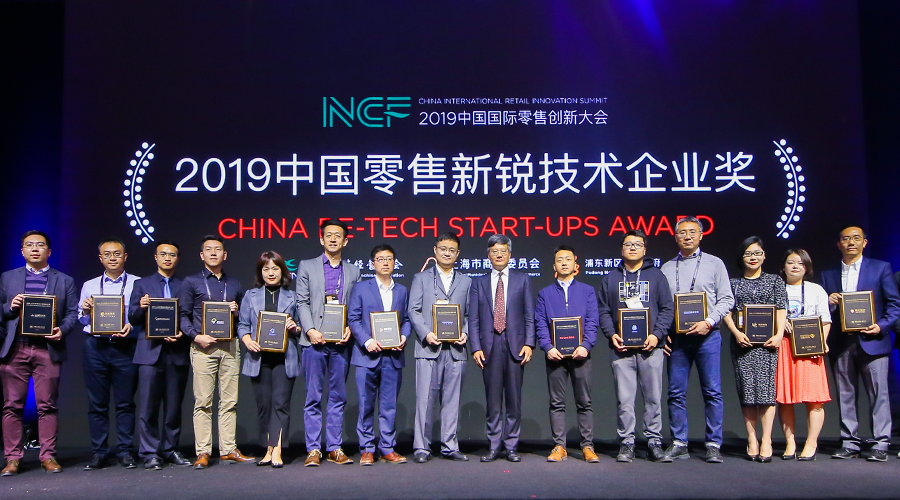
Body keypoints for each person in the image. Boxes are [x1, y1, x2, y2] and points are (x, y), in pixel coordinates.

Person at [0, 230, 78, 475]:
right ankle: (13, 458)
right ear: (22, 250)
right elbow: (0, 310)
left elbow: (72, 314)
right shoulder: (8, 278)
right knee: (12, 405)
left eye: (40, 245)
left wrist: (62, 330)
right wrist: (9, 307)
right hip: (16, 348)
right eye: (29, 245)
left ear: (49, 251)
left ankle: (48, 456)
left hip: (47, 348)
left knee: (47, 405)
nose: (35, 249)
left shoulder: (64, 280)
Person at [821, 225, 900, 461]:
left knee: (879, 394)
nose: (851, 242)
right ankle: (849, 442)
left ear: (865, 242)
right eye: (846, 239)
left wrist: (881, 326)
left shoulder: (881, 268)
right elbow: (820, 311)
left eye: (856, 238)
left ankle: (880, 443)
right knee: (845, 393)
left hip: (873, 340)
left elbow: (895, 305)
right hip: (841, 342)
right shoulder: (828, 274)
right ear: (839, 244)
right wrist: (829, 302)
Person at [660, 216, 734, 463]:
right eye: (682, 232)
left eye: (692, 232)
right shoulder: (667, 268)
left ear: (701, 235)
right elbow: (662, 306)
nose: (687, 236)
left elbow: (727, 299)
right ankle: (679, 442)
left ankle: (713, 444)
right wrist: (663, 333)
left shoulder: (715, 263)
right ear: (676, 237)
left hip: (708, 337)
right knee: (675, 393)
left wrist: (709, 322)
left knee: (712, 392)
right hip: (677, 339)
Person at [597, 231, 674, 463]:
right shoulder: (611, 278)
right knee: (624, 399)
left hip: (651, 347)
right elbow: (603, 311)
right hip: (621, 349)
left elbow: (667, 308)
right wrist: (611, 335)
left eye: (637, 244)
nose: (632, 248)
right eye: (628, 244)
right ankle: (627, 442)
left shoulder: (656, 276)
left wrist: (657, 335)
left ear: (644, 249)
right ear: (621, 249)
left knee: (653, 397)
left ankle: (654, 442)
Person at [179, 235, 254, 469]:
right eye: (209, 250)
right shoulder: (191, 282)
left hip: (230, 346)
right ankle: (203, 451)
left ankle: (228, 448)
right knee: (203, 401)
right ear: (202, 255)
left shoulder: (235, 284)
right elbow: (182, 316)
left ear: (225, 255)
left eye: (218, 249)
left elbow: (244, 319)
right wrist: (196, 336)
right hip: (203, 347)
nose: (213, 253)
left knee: (230, 401)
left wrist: (237, 311)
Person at [296, 219, 359, 467]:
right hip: (314, 342)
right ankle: (313, 449)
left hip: (341, 343)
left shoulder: (353, 271)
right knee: (313, 396)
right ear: (321, 239)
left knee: (338, 396)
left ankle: (334, 447)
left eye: (338, 236)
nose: (333, 239)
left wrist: (350, 327)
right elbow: (301, 302)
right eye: (329, 235)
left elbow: (355, 306)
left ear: (345, 241)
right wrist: (310, 330)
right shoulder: (307, 266)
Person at [469, 234, 535, 463]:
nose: (499, 255)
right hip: (489, 346)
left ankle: (512, 446)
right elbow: (473, 319)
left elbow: (529, 315)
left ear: (510, 254)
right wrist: (475, 347)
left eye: (503, 251)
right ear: (488, 255)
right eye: (494, 251)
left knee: (514, 399)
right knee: (493, 399)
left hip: (515, 344)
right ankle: (494, 445)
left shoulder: (522, 279)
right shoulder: (478, 282)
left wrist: (529, 343)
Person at [721, 237, 787, 463]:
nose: (753, 257)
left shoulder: (775, 281)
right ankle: (752, 438)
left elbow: (781, 309)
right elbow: (726, 310)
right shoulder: (733, 283)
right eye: (748, 254)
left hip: (769, 345)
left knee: (767, 393)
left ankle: (766, 439)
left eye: (757, 253)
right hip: (743, 344)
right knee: (747, 392)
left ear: (764, 256)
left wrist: (779, 335)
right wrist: (736, 333)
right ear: (742, 257)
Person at [408, 233, 471, 463]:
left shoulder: (466, 281)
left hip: (456, 350)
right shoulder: (421, 278)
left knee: (452, 401)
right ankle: (422, 447)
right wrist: (426, 333)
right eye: (443, 248)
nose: (447, 253)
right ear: (435, 251)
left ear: (458, 254)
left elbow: (469, 314)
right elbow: (413, 310)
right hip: (429, 348)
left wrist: (465, 333)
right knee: (425, 400)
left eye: (452, 250)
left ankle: (449, 446)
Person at [129, 240, 192, 470]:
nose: (167, 258)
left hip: (177, 351)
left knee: (174, 407)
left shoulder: (185, 285)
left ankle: (170, 449)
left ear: (177, 259)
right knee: (148, 406)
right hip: (149, 352)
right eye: (163, 254)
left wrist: (182, 333)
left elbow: (190, 317)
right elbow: (132, 317)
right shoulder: (141, 284)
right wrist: (142, 306)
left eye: (172, 255)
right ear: (155, 257)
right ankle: (149, 453)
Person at [78, 237, 138, 470]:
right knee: (97, 403)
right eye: (107, 254)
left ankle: (125, 451)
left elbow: (142, 317)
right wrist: (85, 311)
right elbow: (81, 319)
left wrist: (132, 326)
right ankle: (99, 452)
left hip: (125, 347)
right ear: (100, 258)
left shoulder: (137, 283)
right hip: (96, 347)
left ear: (125, 257)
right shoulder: (89, 285)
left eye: (117, 253)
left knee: (125, 403)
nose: (112, 258)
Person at [536, 245, 600, 463]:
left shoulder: (587, 291)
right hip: (555, 356)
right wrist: (547, 347)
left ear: (575, 264)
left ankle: (587, 446)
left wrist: (586, 345)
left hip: (581, 354)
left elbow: (592, 321)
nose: (564, 263)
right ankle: (559, 446)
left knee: (584, 402)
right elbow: (540, 323)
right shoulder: (544, 293)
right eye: (560, 260)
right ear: (554, 266)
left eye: (568, 259)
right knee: (557, 403)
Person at [348, 244, 410, 465]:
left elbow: (407, 320)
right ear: (372, 263)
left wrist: (403, 336)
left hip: (393, 357)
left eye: (389, 259)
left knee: (389, 405)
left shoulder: (402, 290)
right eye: (380, 259)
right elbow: (353, 319)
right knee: (366, 405)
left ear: (395, 263)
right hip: (367, 356)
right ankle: (367, 448)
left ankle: (387, 447)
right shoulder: (361, 288)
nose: (385, 262)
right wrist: (367, 341)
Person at [238, 252, 301, 469]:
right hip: (258, 358)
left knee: (281, 405)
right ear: (260, 272)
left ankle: (278, 449)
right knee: (264, 406)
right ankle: (268, 448)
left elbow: (302, 326)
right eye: (266, 269)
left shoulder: (292, 296)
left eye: (275, 268)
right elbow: (242, 325)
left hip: (285, 358)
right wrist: (247, 340)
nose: (271, 273)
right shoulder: (251, 295)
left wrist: (295, 327)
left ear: (282, 271)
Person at [776, 249, 831, 461]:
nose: (796, 266)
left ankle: (811, 443)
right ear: (783, 267)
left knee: (815, 400)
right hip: (784, 348)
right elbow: (767, 315)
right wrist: (780, 323)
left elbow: (825, 320)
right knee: (785, 399)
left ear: (806, 267)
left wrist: (821, 343)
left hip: (810, 349)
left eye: (800, 263)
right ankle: (790, 443)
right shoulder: (776, 288)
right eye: (791, 262)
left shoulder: (816, 290)